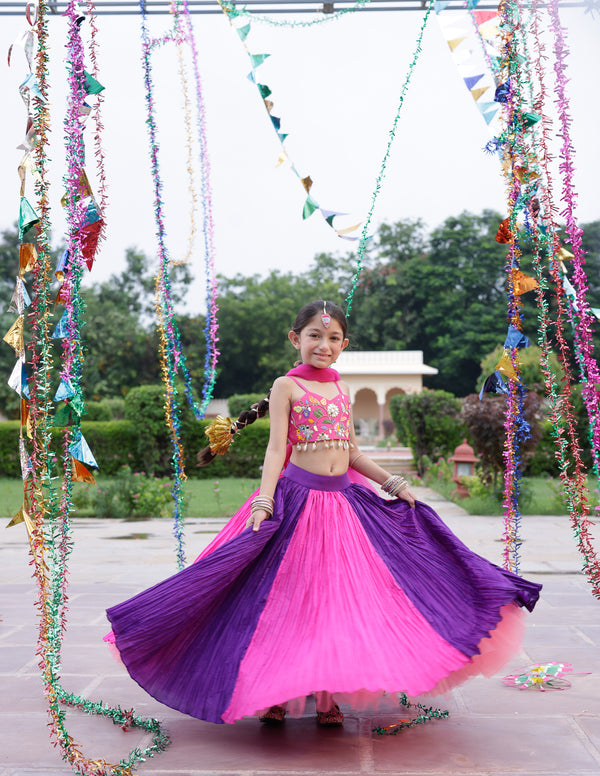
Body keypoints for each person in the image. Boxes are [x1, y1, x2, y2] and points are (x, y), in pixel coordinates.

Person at [106, 300, 541, 728]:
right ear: (296, 338)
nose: (324, 345)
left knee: (333, 605)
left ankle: (327, 697)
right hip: (296, 505)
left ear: (344, 343)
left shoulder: (341, 389)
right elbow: (277, 448)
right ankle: (273, 693)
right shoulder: (286, 386)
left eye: (333, 338)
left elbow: (351, 453)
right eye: (315, 335)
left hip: (342, 507)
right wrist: (264, 499)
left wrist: (393, 483)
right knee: (284, 603)